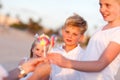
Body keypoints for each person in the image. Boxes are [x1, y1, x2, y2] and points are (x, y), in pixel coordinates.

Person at [47, 0, 120, 80]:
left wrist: (66, 62)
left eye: (107, 5)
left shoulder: (118, 32)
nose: (102, 9)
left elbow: (100, 65)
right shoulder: (101, 29)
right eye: (100, 5)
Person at [49, 13, 87, 80]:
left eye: (74, 34)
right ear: (63, 31)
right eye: (67, 32)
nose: (70, 36)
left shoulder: (83, 56)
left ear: (81, 37)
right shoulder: (53, 51)